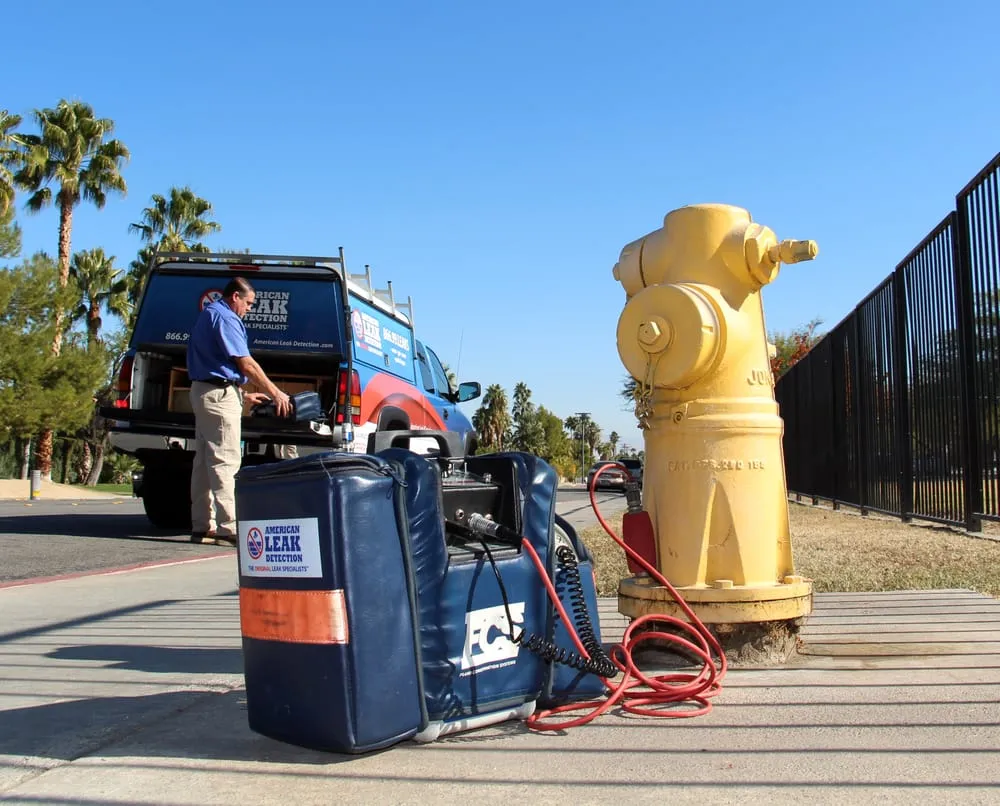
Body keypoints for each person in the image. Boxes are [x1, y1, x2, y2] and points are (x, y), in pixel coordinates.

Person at [186, 277, 292, 546]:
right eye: (248, 303)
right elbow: (246, 363)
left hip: (205, 391)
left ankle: (202, 525)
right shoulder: (226, 318)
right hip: (218, 395)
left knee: (204, 461)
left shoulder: (209, 314)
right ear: (235, 297)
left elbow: (215, 364)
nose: (249, 308)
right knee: (225, 460)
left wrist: (243, 394)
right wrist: (275, 392)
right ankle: (228, 528)